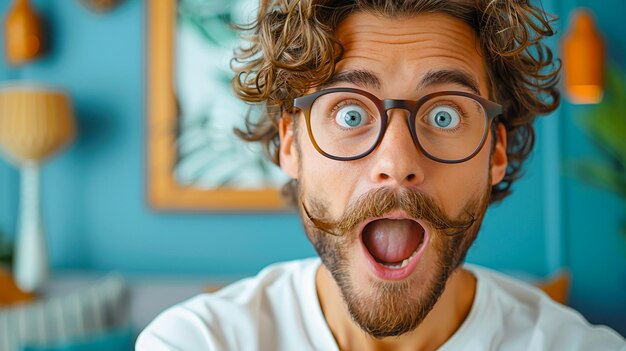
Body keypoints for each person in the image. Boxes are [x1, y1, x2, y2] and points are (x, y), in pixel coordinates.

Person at [137, 0, 626, 350]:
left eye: (444, 116)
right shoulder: (196, 341)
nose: (397, 162)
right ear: (291, 143)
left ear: (495, 152)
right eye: (351, 114)